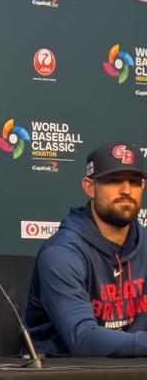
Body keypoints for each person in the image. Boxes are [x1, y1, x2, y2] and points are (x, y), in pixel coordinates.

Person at [25, 142, 147, 357]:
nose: (126, 190)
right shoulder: (61, 252)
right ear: (90, 187)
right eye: (113, 180)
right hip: (65, 377)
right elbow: (83, 338)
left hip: (132, 374)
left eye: (134, 182)